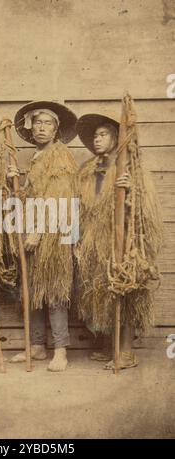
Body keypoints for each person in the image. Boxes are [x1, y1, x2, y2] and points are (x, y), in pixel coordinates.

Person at [76, 112, 162, 370]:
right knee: (99, 290)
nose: (97, 139)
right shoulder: (88, 170)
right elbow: (79, 206)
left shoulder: (131, 170)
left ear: (117, 138)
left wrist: (130, 190)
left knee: (123, 290)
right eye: (95, 135)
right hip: (93, 239)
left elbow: (144, 209)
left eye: (103, 134)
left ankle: (124, 351)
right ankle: (106, 344)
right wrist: (78, 240)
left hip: (122, 240)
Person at [8, 101, 78, 371]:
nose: (41, 127)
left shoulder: (59, 155)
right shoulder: (37, 158)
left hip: (54, 234)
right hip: (34, 233)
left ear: (56, 129)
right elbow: (30, 197)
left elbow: (58, 197)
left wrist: (38, 231)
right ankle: (37, 346)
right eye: (37, 122)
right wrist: (14, 180)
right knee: (34, 292)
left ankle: (60, 351)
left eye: (47, 123)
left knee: (54, 292)